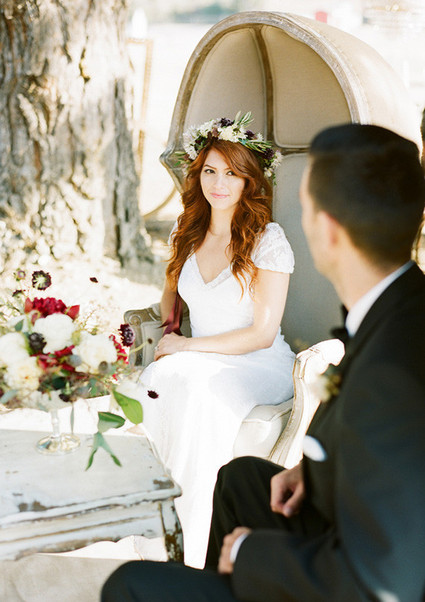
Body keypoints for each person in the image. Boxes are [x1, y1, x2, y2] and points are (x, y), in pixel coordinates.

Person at [102, 122, 425, 601]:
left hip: (346, 566)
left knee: (126, 585)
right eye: (210, 171)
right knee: (239, 479)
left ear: (326, 229)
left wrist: (250, 552)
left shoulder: (393, 373)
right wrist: (309, 470)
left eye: (307, 207)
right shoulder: (395, 309)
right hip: (320, 499)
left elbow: (385, 579)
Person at [136, 112, 295, 567]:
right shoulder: (186, 231)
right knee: (157, 380)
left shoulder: (267, 240)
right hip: (201, 357)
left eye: (231, 173)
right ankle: (152, 528)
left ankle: (191, 541)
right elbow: (170, 300)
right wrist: (163, 336)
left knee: (192, 385)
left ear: (249, 180)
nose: (218, 183)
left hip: (259, 361)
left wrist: (185, 347)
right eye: (209, 171)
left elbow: (262, 333)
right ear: (197, 174)